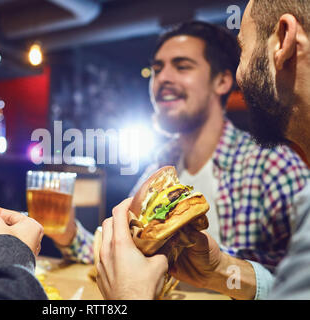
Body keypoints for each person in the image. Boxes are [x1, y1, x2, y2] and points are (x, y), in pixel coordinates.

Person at [50, 21, 310, 275]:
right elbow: (122, 251)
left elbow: (302, 278)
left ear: (222, 81)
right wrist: (68, 232)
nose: (163, 78)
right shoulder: (160, 164)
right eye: (157, 69)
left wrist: (227, 271)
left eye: (182, 66)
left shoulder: (270, 163)